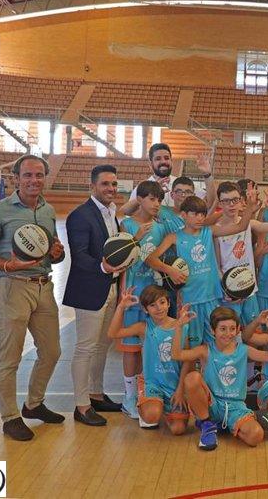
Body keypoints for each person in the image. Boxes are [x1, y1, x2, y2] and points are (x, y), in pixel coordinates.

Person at [0, 154, 66, 441]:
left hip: (43, 286)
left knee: (51, 352)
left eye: (39, 175)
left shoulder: (48, 210)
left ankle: (34, 404)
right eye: (27, 175)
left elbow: (51, 249)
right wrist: (6, 265)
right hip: (12, 286)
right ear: (16, 179)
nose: (33, 180)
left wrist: (57, 253)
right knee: (10, 356)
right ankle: (10, 417)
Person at [65, 164, 130, 427]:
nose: (110, 189)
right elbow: (79, 255)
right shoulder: (80, 215)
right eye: (105, 184)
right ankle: (81, 406)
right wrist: (103, 266)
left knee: (102, 346)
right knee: (85, 348)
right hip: (89, 289)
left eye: (114, 184)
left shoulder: (111, 213)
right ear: (92, 186)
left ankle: (95, 394)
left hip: (109, 287)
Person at [171, 306, 268, 450]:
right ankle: (207, 425)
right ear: (213, 331)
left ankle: (236, 423)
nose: (228, 333)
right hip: (211, 404)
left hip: (235, 408)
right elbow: (177, 355)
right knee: (192, 378)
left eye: (232, 329)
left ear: (238, 330)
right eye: (223, 329)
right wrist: (178, 326)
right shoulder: (205, 350)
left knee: (256, 436)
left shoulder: (244, 350)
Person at [145, 196, 254, 347]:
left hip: (211, 298)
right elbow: (150, 259)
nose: (200, 218)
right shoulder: (174, 237)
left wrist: (250, 208)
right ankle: (194, 371)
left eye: (202, 214)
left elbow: (240, 227)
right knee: (191, 346)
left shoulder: (209, 231)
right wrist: (170, 270)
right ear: (183, 214)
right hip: (190, 301)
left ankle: (208, 371)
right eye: (195, 214)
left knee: (216, 344)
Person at [107, 285, 190, 435]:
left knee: (178, 429)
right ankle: (149, 402)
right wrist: (120, 308)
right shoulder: (144, 327)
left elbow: (187, 361)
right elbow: (113, 333)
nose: (159, 308)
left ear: (169, 303)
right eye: (153, 305)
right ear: (145, 309)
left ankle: (165, 408)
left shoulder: (182, 326)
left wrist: (180, 390)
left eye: (162, 302)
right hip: (153, 384)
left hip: (174, 386)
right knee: (151, 416)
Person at [117, 180, 168, 423]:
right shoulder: (125, 225)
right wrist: (135, 238)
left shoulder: (160, 228)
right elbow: (120, 261)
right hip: (132, 294)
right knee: (130, 347)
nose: (157, 204)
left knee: (150, 345)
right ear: (140, 199)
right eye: (152, 199)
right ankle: (128, 397)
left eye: (159, 199)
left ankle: (147, 391)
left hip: (153, 296)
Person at [215, 181, 268, 329]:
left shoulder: (249, 223)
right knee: (232, 336)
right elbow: (217, 266)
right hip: (229, 294)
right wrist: (228, 290)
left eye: (235, 200)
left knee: (255, 332)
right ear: (220, 204)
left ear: (241, 201)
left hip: (249, 289)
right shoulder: (217, 231)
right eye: (226, 201)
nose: (231, 205)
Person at [121, 143, 213, 211]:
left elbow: (209, 202)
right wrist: (150, 191)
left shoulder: (181, 183)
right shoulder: (142, 187)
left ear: (171, 161)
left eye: (166, 158)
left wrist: (207, 175)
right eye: (158, 159)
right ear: (150, 164)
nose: (163, 162)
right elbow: (125, 212)